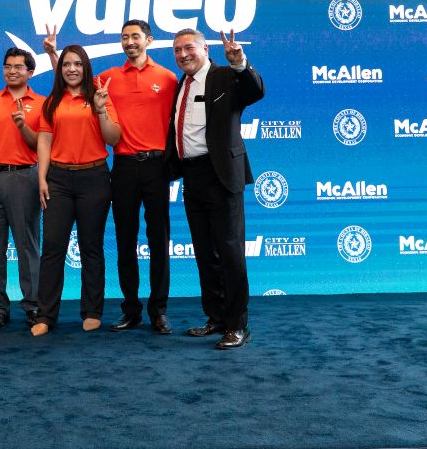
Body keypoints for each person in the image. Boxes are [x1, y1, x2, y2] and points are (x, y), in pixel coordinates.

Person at [167, 28, 265, 350]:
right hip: (192, 177)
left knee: (230, 253)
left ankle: (238, 326)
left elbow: (255, 91)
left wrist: (240, 63)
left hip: (221, 174)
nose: (183, 54)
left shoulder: (225, 76)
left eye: (189, 48)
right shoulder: (181, 84)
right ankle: (217, 318)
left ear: (204, 48)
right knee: (205, 254)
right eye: (177, 50)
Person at [30, 45, 120, 336]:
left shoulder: (99, 97)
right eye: (66, 64)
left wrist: (102, 108)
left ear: (85, 67)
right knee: (53, 247)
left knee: (91, 247)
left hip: (93, 177)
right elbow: (43, 141)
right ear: (60, 68)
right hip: (57, 179)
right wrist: (42, 179)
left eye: (77, 64)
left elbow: (113, 138)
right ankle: (45, 315)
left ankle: (92, 311)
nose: (71, 69)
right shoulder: (52, 102)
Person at [100, 20, 178, 334]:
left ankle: (158, 310)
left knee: (159, 240)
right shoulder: (107, 78)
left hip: (157, 166)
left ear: (148, 40)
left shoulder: (168, 78)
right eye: (124, 37)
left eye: (135, 36)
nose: (129, 41)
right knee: (124, 240)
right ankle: (130, 309)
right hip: (123, 167)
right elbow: (70, 82)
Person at [0, 48, 44, 329]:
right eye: (7, 66)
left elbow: (42, 145)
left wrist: (22, 126)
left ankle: (33, 306)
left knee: (27, 245)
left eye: (19, 67)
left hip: (24, 177)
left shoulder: (41, 103)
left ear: (30, 72)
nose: (12, 71)